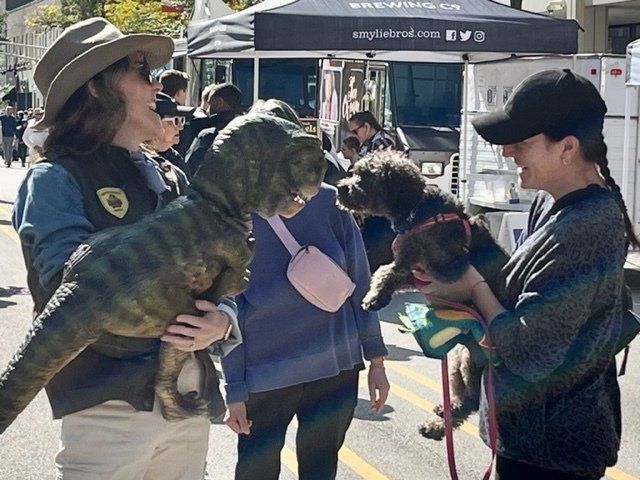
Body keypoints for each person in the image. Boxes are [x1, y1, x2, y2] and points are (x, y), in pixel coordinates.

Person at [12, 18, 237, 480]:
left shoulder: (172, 176)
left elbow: (221, 275)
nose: (158, 85)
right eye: (141, 72)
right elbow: (67, 292)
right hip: (109, 406)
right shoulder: (55, 178)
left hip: (187, 396)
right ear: (97, 88)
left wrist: (222, 320)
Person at [411, 69, 639, 480]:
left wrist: (474, 287)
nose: (507, 152)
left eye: (522, 142)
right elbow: (519, 293)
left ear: (567, 147)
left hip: (554, 451)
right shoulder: (552, 202)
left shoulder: (586, 228)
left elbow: (530, 352)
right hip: (529, 438)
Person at [222, 102, 390, 480]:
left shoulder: (242, 211)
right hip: (328, 366)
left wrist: (235, 388)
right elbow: (361, 285)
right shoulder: (324, 202)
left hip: (279, 372)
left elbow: (230, 308)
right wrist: (375, 358)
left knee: (271, 472)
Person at [185, 83, 243, 177]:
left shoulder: (206, 133)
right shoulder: (247, 132)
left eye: (209, 103)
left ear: (219, 102)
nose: (208, 110)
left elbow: (190, 169)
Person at [145, 92, 191, 177]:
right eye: (175, 120)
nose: (181, 127)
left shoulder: (174, 157)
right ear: (153, 123)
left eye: (182, 120)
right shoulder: (139, 162)